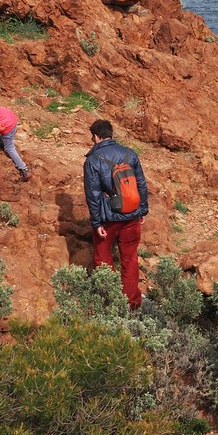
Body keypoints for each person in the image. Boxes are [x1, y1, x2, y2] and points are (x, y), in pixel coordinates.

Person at [83, 119, 149, 309]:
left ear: (95, 136)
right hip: (132, 215)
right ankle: (132, 303)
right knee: (129, 258)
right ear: (110, 134)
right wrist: (142, 210)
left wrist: (96, 223)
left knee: (103, 258)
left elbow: (93, 195)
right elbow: (141, 185)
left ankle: (110, 303)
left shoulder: (93, 160)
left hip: (108, 218)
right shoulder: (130, 153)